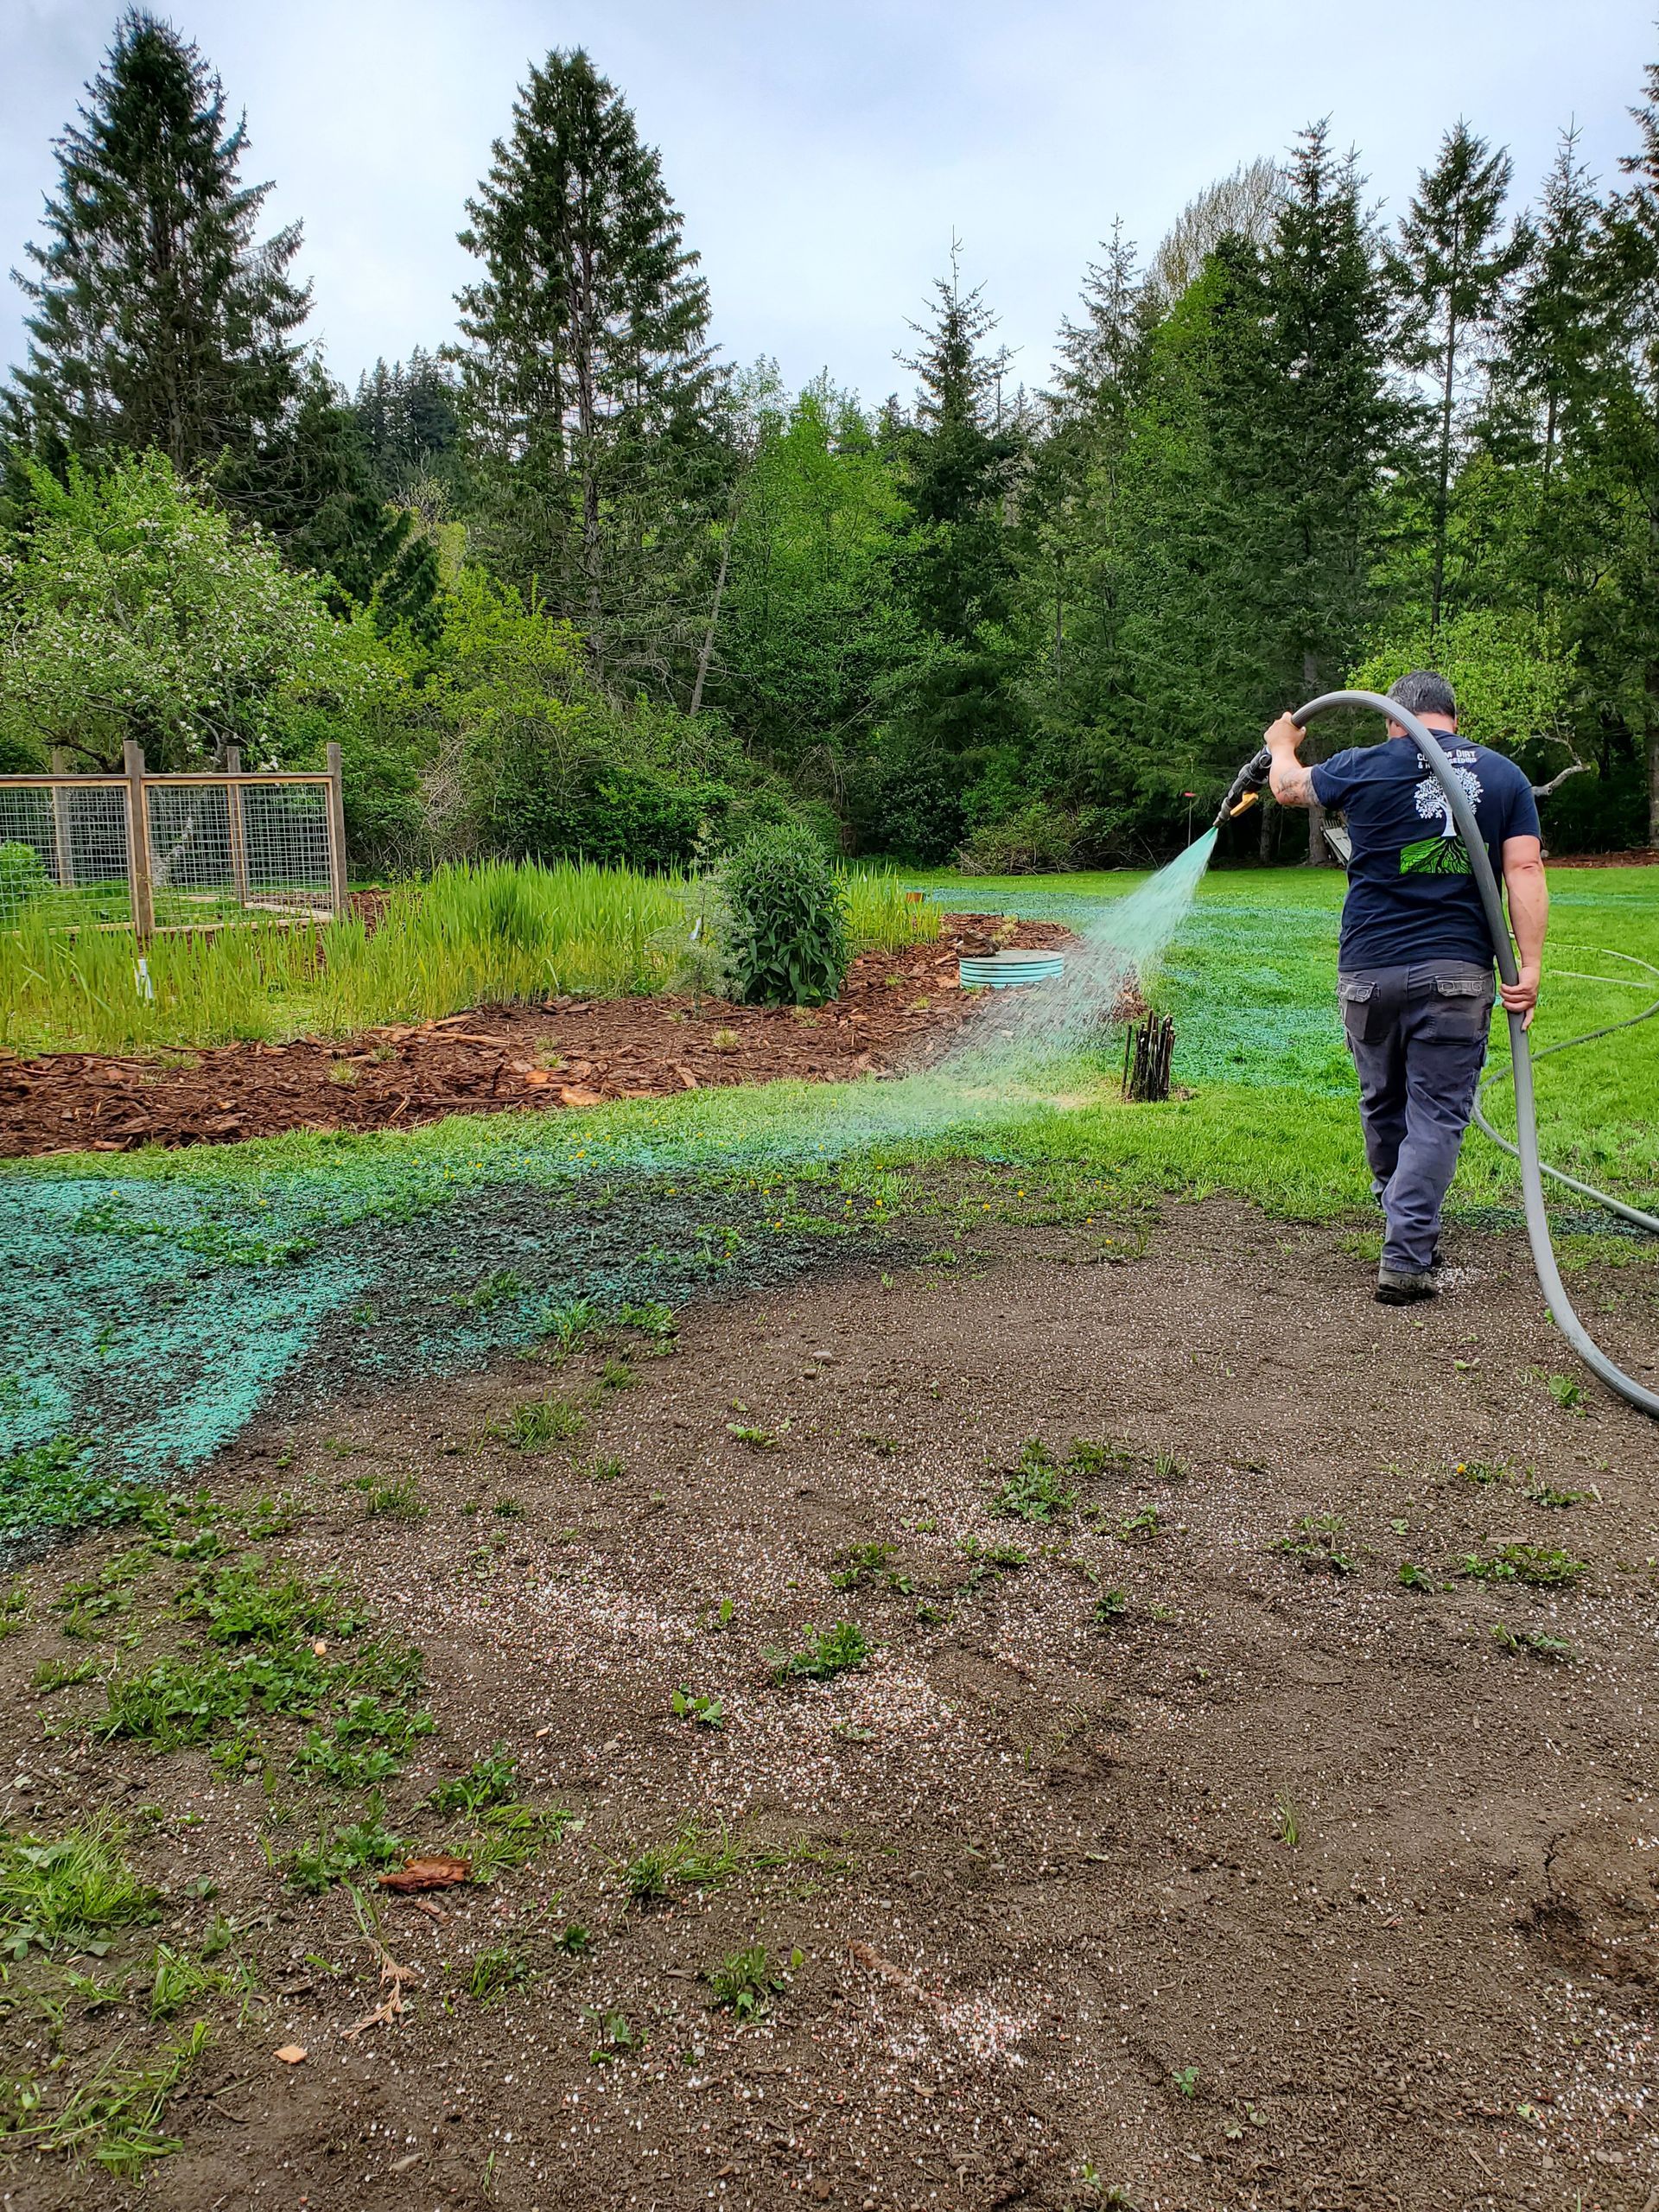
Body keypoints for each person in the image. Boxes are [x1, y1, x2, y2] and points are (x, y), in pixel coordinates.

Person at [1262, 670, 1548, 1306]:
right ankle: (1408, 1250)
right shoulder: (1502, 775)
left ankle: (1406, 1230)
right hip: (1456, 975)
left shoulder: (1366, 764)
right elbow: (1524, 866)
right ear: (1453, 714)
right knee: (1436, 1115)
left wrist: (1283, 742)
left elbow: (1285, 787)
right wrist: (1528, 966)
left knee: (1383, 1104)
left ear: (1394, 717)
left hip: (1370, 970)